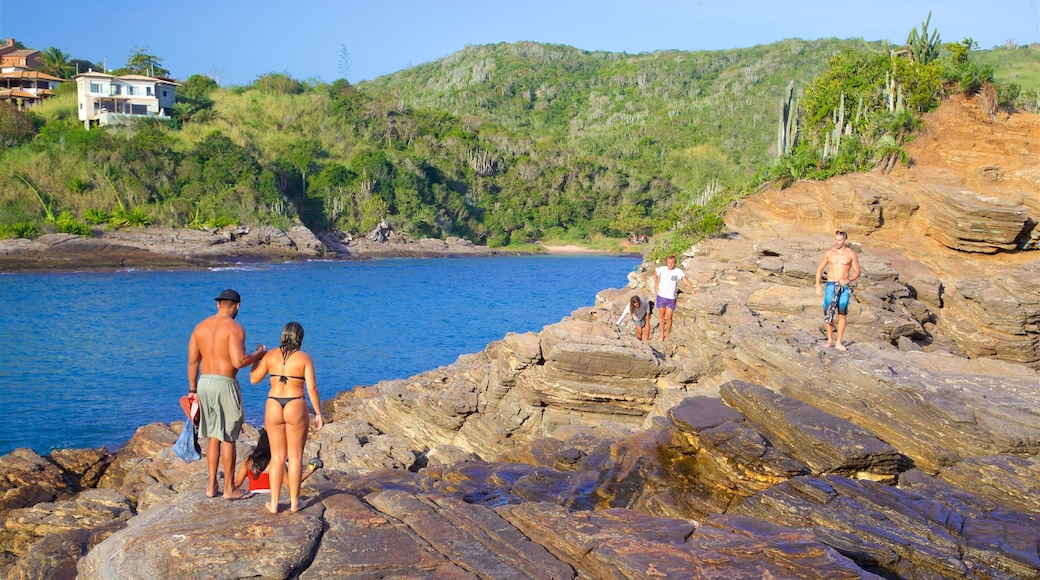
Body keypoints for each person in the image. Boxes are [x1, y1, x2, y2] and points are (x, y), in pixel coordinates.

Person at [187, 289, 267, 499]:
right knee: (229, 437)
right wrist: (258, 354)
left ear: (218, 304)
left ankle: (211, 486)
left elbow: (193, 363)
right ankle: (230, 489)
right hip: (225, 383)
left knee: (214, 436)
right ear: (237, 306)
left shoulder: (200, 327)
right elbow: (238, 361)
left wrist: (192, 390)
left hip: (204, 383)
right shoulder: (234, 328)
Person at [250, 321, 324, 514]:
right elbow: (312, 388)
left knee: (277, 457)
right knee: (296, 456)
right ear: (300, 338)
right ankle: (294, 503)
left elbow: (253, 379)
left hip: (273, 403)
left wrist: (257, 357)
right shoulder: (305, 358)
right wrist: (318, 413)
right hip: (295, 403)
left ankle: (274, 504)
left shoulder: (270, 356)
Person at [233, 428, 321, 493]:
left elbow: (237, 483)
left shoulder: (249, 461)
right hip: (272, 496)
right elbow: (291, 484)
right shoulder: (277, 461)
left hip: (253, 495)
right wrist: (310, 471)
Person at [815, 230, 862, 351]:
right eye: (835, 239)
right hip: (830, 285)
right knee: (828, 313)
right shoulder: (829, 253)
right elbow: (820, 269)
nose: (836, 242)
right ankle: (830, 340)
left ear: (845, 240)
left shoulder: (851, 254)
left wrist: (848, 279)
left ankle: (839, 342)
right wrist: (817, 285)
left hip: (843, 286)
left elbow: (857, 271)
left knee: (842, 314)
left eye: (839, 240)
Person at [653, 255, 698, 341]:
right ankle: (661, 335)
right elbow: (655, 275)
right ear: (667, 263)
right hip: (661, 296)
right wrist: (656, 286)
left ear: (675, 263)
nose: (671, 265)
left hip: (671, 297)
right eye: (669, 263)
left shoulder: (678, 271)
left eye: (672, 263)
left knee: (669, 316)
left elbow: (685, 280)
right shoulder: (662, 269)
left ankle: (667, 334)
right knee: (661, 315)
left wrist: (692, 290)